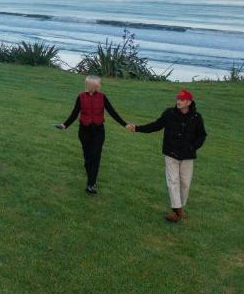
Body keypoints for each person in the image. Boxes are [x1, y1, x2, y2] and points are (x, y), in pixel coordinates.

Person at [127, 88, 207, 222]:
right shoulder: (169, 113)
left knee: (185, 183)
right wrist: (137, 128)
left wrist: (193, 147)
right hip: (171, 153)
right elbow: (156, 126)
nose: (179, 102)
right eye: (178, 99)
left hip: (188, 156)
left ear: (189, 102)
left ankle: (179, 209)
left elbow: (202, 135)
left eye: (182, 100)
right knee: (173, 181)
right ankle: (177, 211)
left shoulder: (196, 117)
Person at [57, 75, 129, 194]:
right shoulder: (81, 97)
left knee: (96, 156)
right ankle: (91, 178)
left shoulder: (102, 97)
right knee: (88, 158)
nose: (99, 86)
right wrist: (65, 125)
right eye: (98, 84)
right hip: (84, 131)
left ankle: (91, 184)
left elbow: (112, 112)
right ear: (92, 85)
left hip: (98, 131)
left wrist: (124, 124)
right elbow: (75, 113)